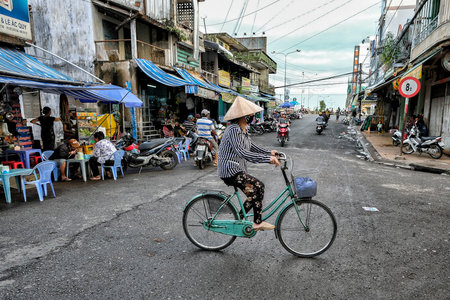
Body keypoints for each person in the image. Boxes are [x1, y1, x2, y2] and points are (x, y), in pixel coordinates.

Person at [218, 96, 280, 231]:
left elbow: (252, 147)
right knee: (259, 185)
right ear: (242, 116)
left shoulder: (243, 129)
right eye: (250, 115)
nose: (252, 117)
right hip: (230, 170)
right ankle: (257, 223)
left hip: (237, 169)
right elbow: (242, 152)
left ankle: (239, 220)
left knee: (255, 192)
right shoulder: (234, 129)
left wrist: (270, 153)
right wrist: (267, 159)